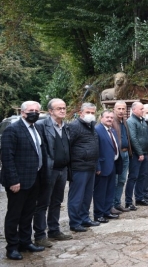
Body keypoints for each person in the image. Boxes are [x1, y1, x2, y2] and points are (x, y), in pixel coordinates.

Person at [1, 101, 47, 260]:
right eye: (31, 110)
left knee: (28, 213)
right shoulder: (12, 130)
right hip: (18, 182)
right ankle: (12, 247)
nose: (34, 113)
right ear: (22, 112)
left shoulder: (36, 128)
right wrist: (13, 181)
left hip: (34, 179)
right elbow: (7, 158)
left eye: (37, 110)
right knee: (15, 215)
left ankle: (25, 242)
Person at [33, 98, 72, 248]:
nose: (62, 110)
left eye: (64, 107)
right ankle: (40, 235)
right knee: (42, 203)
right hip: (49, 170)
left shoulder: (65, 126)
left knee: (57, 202)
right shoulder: (42, 126)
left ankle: (54, 230)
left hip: (62, 169)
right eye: (58, 108)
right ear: (50, 111)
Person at [67, 103, 100, 232]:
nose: (90, 115)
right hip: (78, 167)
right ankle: (75, 222)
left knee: (87, 196)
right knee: (77, 196)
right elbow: (68, 145)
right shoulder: (74, 126)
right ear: (81, 113)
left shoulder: (92, 126)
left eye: (92, 112)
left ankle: (84, 218)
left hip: (91, 166)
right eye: (88, 112)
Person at [93, 110, 122, 223]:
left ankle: (107, 211)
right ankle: (98, 214)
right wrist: (98, 167)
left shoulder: (113, 130)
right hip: (103, 166)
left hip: (112, 164)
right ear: (101, 118)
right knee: (100, 191)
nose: (110, 119)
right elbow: (96, 150)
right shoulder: (97, 130)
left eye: (111, 117)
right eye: (107, 117)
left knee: (110, 190)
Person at [125, 102, 148, 209]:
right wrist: (140, 153)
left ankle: (139, 197)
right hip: (136, 155)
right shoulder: (131, 121)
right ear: (134, 110)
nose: (143, 110)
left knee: (143, 176)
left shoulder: (143, 121)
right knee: (133, 177)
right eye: (141, 109)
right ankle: (128, 201)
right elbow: (133, 138)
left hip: (145, 154)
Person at [112, 101, 132, 212]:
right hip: (116, 155)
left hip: (125, 154)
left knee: (122, 180)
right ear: (114, 109)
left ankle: (117, 203)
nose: (121, 111)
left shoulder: (124, 121)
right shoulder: (111, 121)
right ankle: (110, 205)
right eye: (119, 108)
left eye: (123, 109)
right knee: (114, 181)